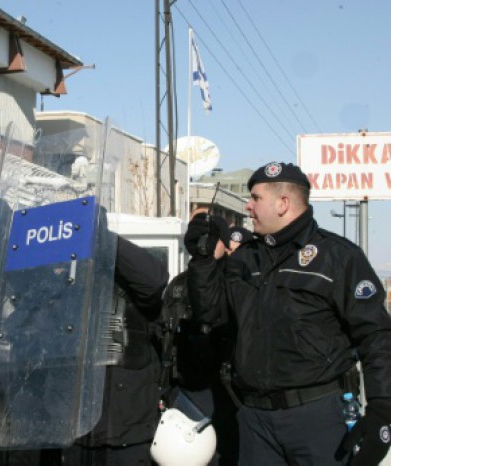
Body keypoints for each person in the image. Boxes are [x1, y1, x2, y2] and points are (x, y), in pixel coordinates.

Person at [184, 162, 391, 466]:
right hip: (255, 419)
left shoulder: (337, 257)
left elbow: (375, 336)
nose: (248, 205)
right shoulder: (245, 259)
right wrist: (203, 260)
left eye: (255, 198)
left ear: (283, 204)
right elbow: (211, 315)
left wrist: (382, 408)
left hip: (318, 418)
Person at [59, 234, 170, 466]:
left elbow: (155, 280)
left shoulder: (128, 281)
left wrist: (105, 238)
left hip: (126, 431)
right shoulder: (65, 287)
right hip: (76, 433)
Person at [155, 207, 238, 466]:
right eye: (199, 239)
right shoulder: (178, 286)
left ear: (226, 245)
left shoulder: (237, 281)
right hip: (185, 395)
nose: (205, 245)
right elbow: (164, 338)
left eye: (212, 239)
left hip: (227, 394)